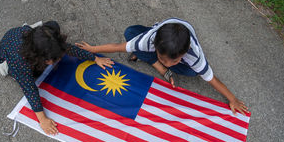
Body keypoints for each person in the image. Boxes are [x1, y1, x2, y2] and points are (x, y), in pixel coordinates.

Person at [76, 18, 249, 115]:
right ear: (155, 47)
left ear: (184, 53)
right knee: (130, 33)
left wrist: (232, 99)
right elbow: (117, 46)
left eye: (172, 62)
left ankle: (152, 59)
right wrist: (92, 50)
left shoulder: (194, 55)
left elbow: (212, 79)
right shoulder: (149, 40)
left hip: (172, 49)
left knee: (192, 72)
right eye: (162, 59)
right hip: (154, 36)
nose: (169, 63)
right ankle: (159, 67)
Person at [0, 21, 114, 135]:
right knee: (30, 76)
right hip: (9, 56)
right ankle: (15, 72)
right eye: (54, 59)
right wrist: (42, 119)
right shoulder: (21, 62)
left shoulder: (46, 43)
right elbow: (29, 89)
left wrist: (94, 58)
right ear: (41, 58)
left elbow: (67, 48)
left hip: (21, 35)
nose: (58, 59)